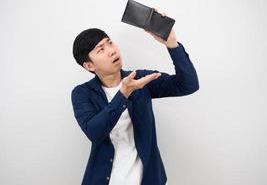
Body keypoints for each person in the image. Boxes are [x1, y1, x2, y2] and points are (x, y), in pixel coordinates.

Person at [71, 11, 199, 185]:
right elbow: (95, 132)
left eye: (109, 43)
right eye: (101, 49)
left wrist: (172, 45)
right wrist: (123, 93)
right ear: (89, 65)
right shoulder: (82, 93)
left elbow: (188, 84)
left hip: (148, 179)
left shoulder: (139, 79)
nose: (111, 51)